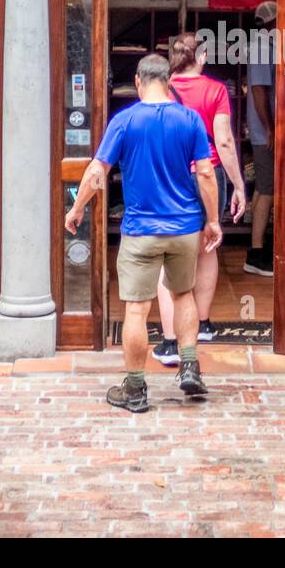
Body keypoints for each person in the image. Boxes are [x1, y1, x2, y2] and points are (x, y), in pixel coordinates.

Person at [64, 54, 222, 413]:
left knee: (136, 310)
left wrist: (76, 210)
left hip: (141, 231)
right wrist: (212, 221)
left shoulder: (125, 121)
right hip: (184, 227)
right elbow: (206, 174)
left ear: (138, 81)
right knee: (184, 297)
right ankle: (189, 366)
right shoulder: (190, 119)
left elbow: (95, 173)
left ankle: (135, 389)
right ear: (168, 82)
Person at [152, 33, 247, 365]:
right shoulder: (216, 90)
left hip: (172, 173)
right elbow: (223, 142)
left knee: (171, 252)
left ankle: (169, 341)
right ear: (202, 57)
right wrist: (238, 185)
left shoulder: (161, 88)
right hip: (210, 174)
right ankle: (203, 323)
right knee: (208, 245)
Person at [244, 1, 277, 276]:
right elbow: (259, 91)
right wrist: (270, 129)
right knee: (268, 189)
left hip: (261, 130)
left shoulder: (264, 45)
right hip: (263, 132)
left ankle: (255, 245)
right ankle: (256, 253)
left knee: (261, 189)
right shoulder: (261, 46)